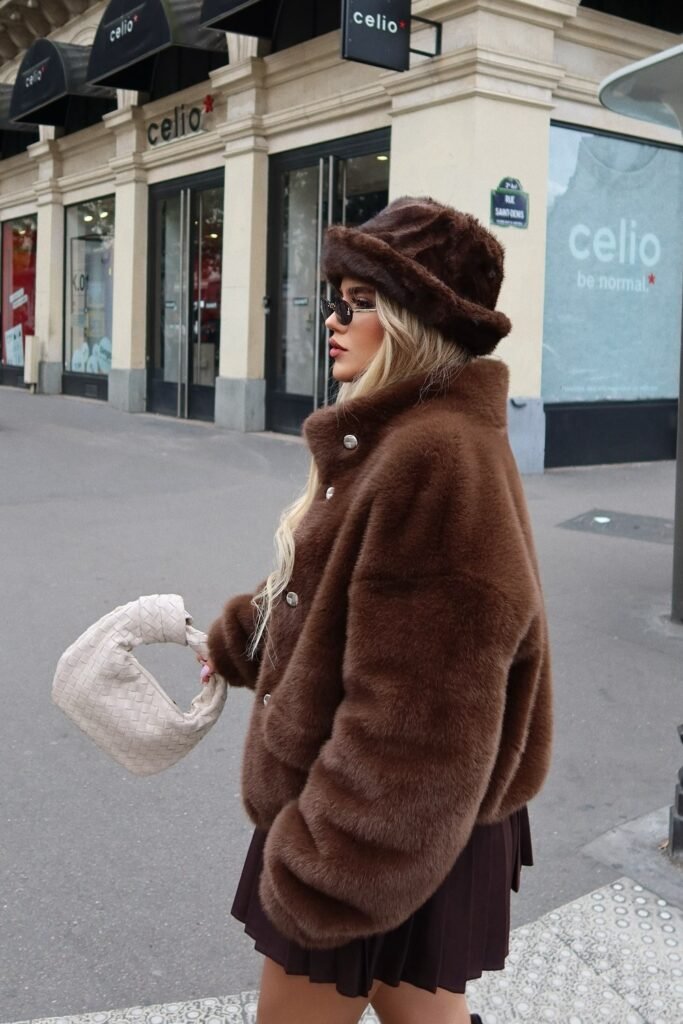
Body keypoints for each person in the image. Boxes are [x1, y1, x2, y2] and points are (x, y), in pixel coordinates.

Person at [202, 196, 553, 1024]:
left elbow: (423, 709)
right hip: (400, 811)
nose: (335, 318)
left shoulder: (432, 454)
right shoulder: (403, 436)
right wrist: (236, 643)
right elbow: (337, 591)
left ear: (414, 321)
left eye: (361, 304)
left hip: (377, 818)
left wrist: (331, 863)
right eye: (338, 298)